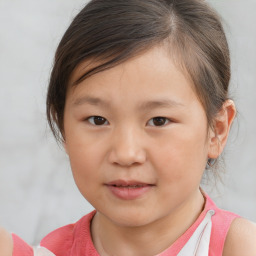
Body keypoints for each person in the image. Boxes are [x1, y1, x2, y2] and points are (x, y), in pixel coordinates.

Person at [1, 0, 256, 255]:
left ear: (217, 129)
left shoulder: (239, 247)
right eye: (97, 120)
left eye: (159, 121)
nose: (125, 153)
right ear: (62, 125)